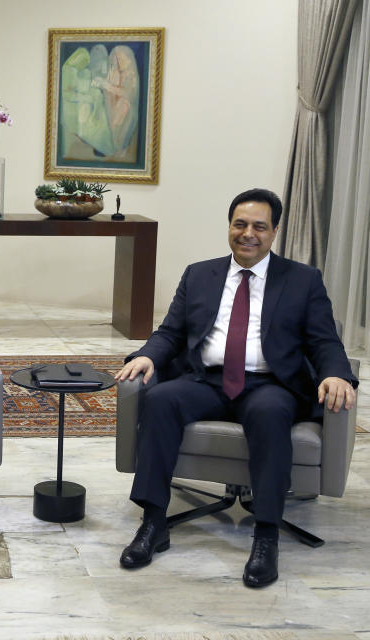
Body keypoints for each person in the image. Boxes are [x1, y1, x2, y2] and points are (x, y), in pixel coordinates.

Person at [115, 188, 357, 588]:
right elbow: (171, 331)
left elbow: (324, 341)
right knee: (160, 400)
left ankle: (266, 536)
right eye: (240, 224)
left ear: (274, 231)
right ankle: (153, 523)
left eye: (259, 226)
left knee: (270, 413)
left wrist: (336, 374)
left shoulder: (302, 280)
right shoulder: (199, 274)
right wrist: (148, 356)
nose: (248, 234)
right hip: (206, 380)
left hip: (269, 384)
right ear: (229, 227)